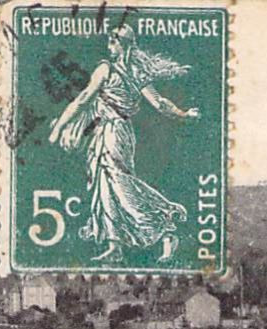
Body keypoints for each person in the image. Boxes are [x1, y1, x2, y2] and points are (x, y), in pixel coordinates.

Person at [48, 24, 198, 264]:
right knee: (105, 184)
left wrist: (59, 127)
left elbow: (84, 98)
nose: (109, 45)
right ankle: (114, 244)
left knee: (118, 183)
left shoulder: (106, 69)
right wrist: (183, 114)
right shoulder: (136, 73)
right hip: (112, 131)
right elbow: (160, 103)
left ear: (121, 44)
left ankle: (165, 227)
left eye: (112, 41)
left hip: (113, 132)